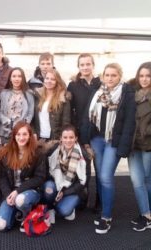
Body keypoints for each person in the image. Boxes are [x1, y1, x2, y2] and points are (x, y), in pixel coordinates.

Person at [81, 63, 136, 234]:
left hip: (114, 141)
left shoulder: (126, 94)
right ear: (103, 76)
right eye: (107, 75)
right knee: (100, 175)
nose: (110, 78)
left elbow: (129, 122)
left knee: (105, 176)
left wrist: (123, 148)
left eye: (114, 75)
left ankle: (106, 216)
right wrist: (86, 140)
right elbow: (87, 116)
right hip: (97, 139)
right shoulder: (98, 92)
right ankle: (104, 207)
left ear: (120, 76)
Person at [0, 122, 46, 232]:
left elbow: (40, 178)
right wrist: (8, 195)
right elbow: (2, 178)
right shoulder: (6, 153)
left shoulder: (38, 153)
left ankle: (26, 216)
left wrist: (18, 191)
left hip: (29, 191)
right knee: (1, 226)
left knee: (20, 200)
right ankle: (17, 214)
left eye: (25, 134)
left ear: (30, 136)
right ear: (14, 136)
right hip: (11, 192)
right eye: (18, 134)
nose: (21, 137)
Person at [68, 53, 102, 212]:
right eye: (82, 65)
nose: (85, 67)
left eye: (88, 64)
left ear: (93, 65)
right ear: (78, 67)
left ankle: (100, 200)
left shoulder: (100, 83)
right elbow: (71, 110)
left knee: (99, 168)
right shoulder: (73, 85)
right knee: (82, 165)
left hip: (98, 132)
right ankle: (83, 196)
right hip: (80, 131)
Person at [43, 125, 89, 223]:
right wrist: (57, 189)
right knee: (48, 188)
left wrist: (65, 192)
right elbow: (47, 172)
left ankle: (67, 206)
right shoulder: (53, 151)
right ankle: (50, 208)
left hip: (74, 190)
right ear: (61, 138)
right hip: (57, 184)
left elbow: (83, 182)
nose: (68, 140)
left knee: (63, 211)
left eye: (71, 137)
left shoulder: (83, 155)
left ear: (76, 138)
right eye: (65, 137)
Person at [128, 62, 151, 231]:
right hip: (133, 145)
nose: (144, 79)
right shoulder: (132, 94)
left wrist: (146, 130)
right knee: (137, 181)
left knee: (148, 181)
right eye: (141, 75)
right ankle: (146, 214)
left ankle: (147, 215)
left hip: (149, 143)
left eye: (148, 76)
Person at [33, 69, 71, 145]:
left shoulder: (63, 98)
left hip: (55, 139)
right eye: (47, 78)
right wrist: (33, 133)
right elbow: (32, 118)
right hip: (38, 138)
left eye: (53, 79)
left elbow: (66, 122)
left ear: (57, 81)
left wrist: (62, 138)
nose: (49, 81)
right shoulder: (37, 95)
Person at [0, 67, 35, 143]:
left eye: (19, 76)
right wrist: (9, 123)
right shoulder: (4, 93)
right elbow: (0, 112)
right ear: (10, 78)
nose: (17, 79)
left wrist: (21, 125)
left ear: (23, 78)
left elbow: (30, 113)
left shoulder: (29, 94)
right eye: (14, 76)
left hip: (22, 133)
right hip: (6, 132)